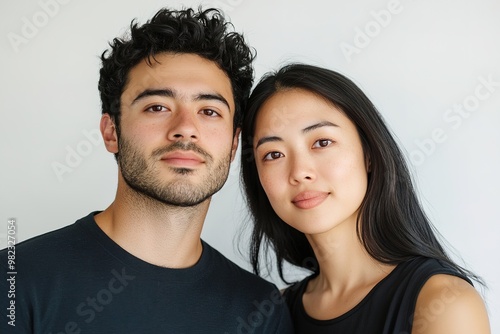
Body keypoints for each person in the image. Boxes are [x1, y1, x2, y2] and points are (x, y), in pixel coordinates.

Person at [0, 8, 294, 333]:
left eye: (209, 111)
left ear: (235, 142)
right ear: (111, 132)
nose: (186, 129)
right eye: (157, 107)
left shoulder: (259, 310)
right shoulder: (14, 282)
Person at [240, 63, 491, 333]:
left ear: (369, 154)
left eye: (322, 142)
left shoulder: (443, 302)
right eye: (273, 154)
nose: (300, 172)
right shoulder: (274, 314)